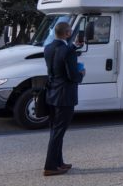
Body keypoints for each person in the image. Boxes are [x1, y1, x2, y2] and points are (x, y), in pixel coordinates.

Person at [43, 21, 84, 176]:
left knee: (55, 130)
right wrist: (82, 74)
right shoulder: (68, 51)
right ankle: (50, 167)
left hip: (51, 94)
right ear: (67, 33)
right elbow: (73, 76)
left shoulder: (48, 48)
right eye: (70, 32)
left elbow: (59, 58)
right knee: (58, 132)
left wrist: (73, 46)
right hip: (65, 96)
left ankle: (59, 163)